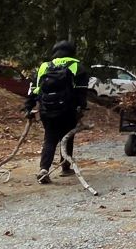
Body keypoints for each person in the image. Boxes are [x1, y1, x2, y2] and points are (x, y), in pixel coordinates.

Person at [24, 41, 90, 184]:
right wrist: (81, 108)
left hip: (46, 110)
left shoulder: (44, 66)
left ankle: (44, 169)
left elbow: (34, 89)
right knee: (68, 137)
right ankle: (65, 167)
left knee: (49, 138)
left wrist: (28, 107)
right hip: (68, 110)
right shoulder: (77, 66)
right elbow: (81, 91)